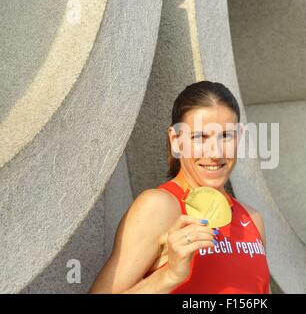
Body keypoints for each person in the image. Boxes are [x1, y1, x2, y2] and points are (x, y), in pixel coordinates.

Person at [89, 80, 271, 294]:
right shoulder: (159, 207)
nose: (215, 153)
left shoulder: (252, 218)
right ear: (176, 140)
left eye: (226, 136)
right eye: (200, 137)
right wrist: (169, 276)